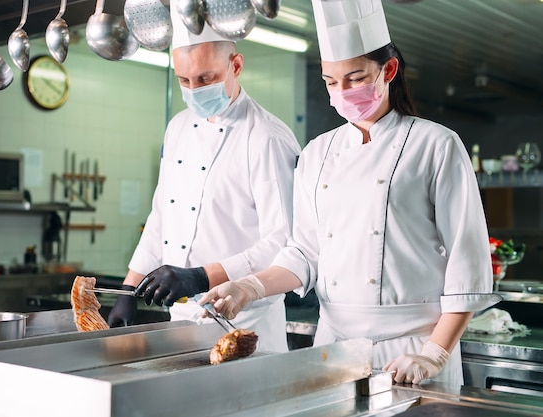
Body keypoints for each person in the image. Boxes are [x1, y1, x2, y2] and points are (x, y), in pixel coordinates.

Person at [198, 0, 500, 385]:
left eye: (355, 78)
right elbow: (305, 252)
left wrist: (434, 354)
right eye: (330, 82)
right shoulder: (317, 153)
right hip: (334, 347)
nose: (342, 92)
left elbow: (467, 262)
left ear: (388, 70)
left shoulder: (436, 144)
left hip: (412, 351)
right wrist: (249, 286)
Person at [107, 0, 301, 354]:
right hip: (181, 322)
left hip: (245, 324)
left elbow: (283, 242)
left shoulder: (266, 137)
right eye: (184, 80)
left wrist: (201, 276)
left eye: (206, 78)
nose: (194, 90)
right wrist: (128, 290)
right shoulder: (178, 127)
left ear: (236, 65)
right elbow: (162, 216)